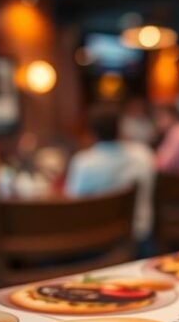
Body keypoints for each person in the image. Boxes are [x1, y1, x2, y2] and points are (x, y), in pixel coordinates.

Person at [66, 104, 154, 254]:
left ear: (91, 132)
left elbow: (72, 204)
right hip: (139, 239)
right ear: (121, 128)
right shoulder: (143, 154)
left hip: (96, 247)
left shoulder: (83, 163)